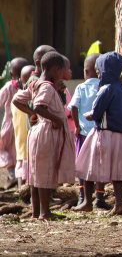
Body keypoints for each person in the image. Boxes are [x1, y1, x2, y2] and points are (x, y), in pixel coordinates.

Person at [12, 52, 76, 220]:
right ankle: (45, 213)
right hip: (46, 134)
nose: (63, 74)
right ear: (55, 70)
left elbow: (17, 100)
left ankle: (36, 212)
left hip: (38, 132)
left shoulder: (35, 84)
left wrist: (33, 114)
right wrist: (55, 119)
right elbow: (40, 107)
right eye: (63, 70)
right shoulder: (46, 87)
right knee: (45, 174)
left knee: (35, 175)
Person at [74, 52, 122, 215]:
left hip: (104, 134)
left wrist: (89, 115)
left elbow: (97, 112)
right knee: (116, 173)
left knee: (87, 164)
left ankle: (87, 201)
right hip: (121, 136)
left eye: (100, 71)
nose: (99, 74)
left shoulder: (105, 90)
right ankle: (118, 203)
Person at [67, 53, 109, 208]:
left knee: (82, 166)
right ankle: (99, 198)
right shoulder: (104, 87)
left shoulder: (81, 87)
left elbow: (74, 107)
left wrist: (77, 126)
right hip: (100, 133)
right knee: (99, 165)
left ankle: (83, 197)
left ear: (85, 71)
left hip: (83, 134)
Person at [0, 57, 29, 180]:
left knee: (2, 148)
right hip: (21, 125)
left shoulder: (8, 87)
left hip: (8, 125)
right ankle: (17, 175)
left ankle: (11, 171)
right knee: (17, 151)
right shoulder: (27, 87)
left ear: (11, 73)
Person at [11, 64, 34, 186]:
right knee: (24, 164)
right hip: (23, 137)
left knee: (23, 164)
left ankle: (23, 190)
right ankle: (22, 190)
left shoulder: (21, 96)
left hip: (23, 137)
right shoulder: (25, 97)